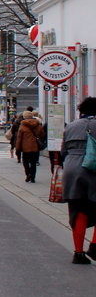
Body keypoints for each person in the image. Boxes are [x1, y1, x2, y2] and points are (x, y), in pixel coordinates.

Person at [61, 97, 96, 264]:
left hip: (71, 170)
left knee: (78, 211)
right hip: (92, 170)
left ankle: (78, 253)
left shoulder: (71, 126)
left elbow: (63, 151)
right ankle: (95, 246)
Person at [13, 110, 46, 183]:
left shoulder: (22, 126)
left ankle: (28, 174)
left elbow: (19, 138)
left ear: (24, 117)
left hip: (25, 148)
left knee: (26, 162)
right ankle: (33, 177)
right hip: (35, 147)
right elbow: (43, 135)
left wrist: (18, 148)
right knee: (33, 163)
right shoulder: (38, 124)